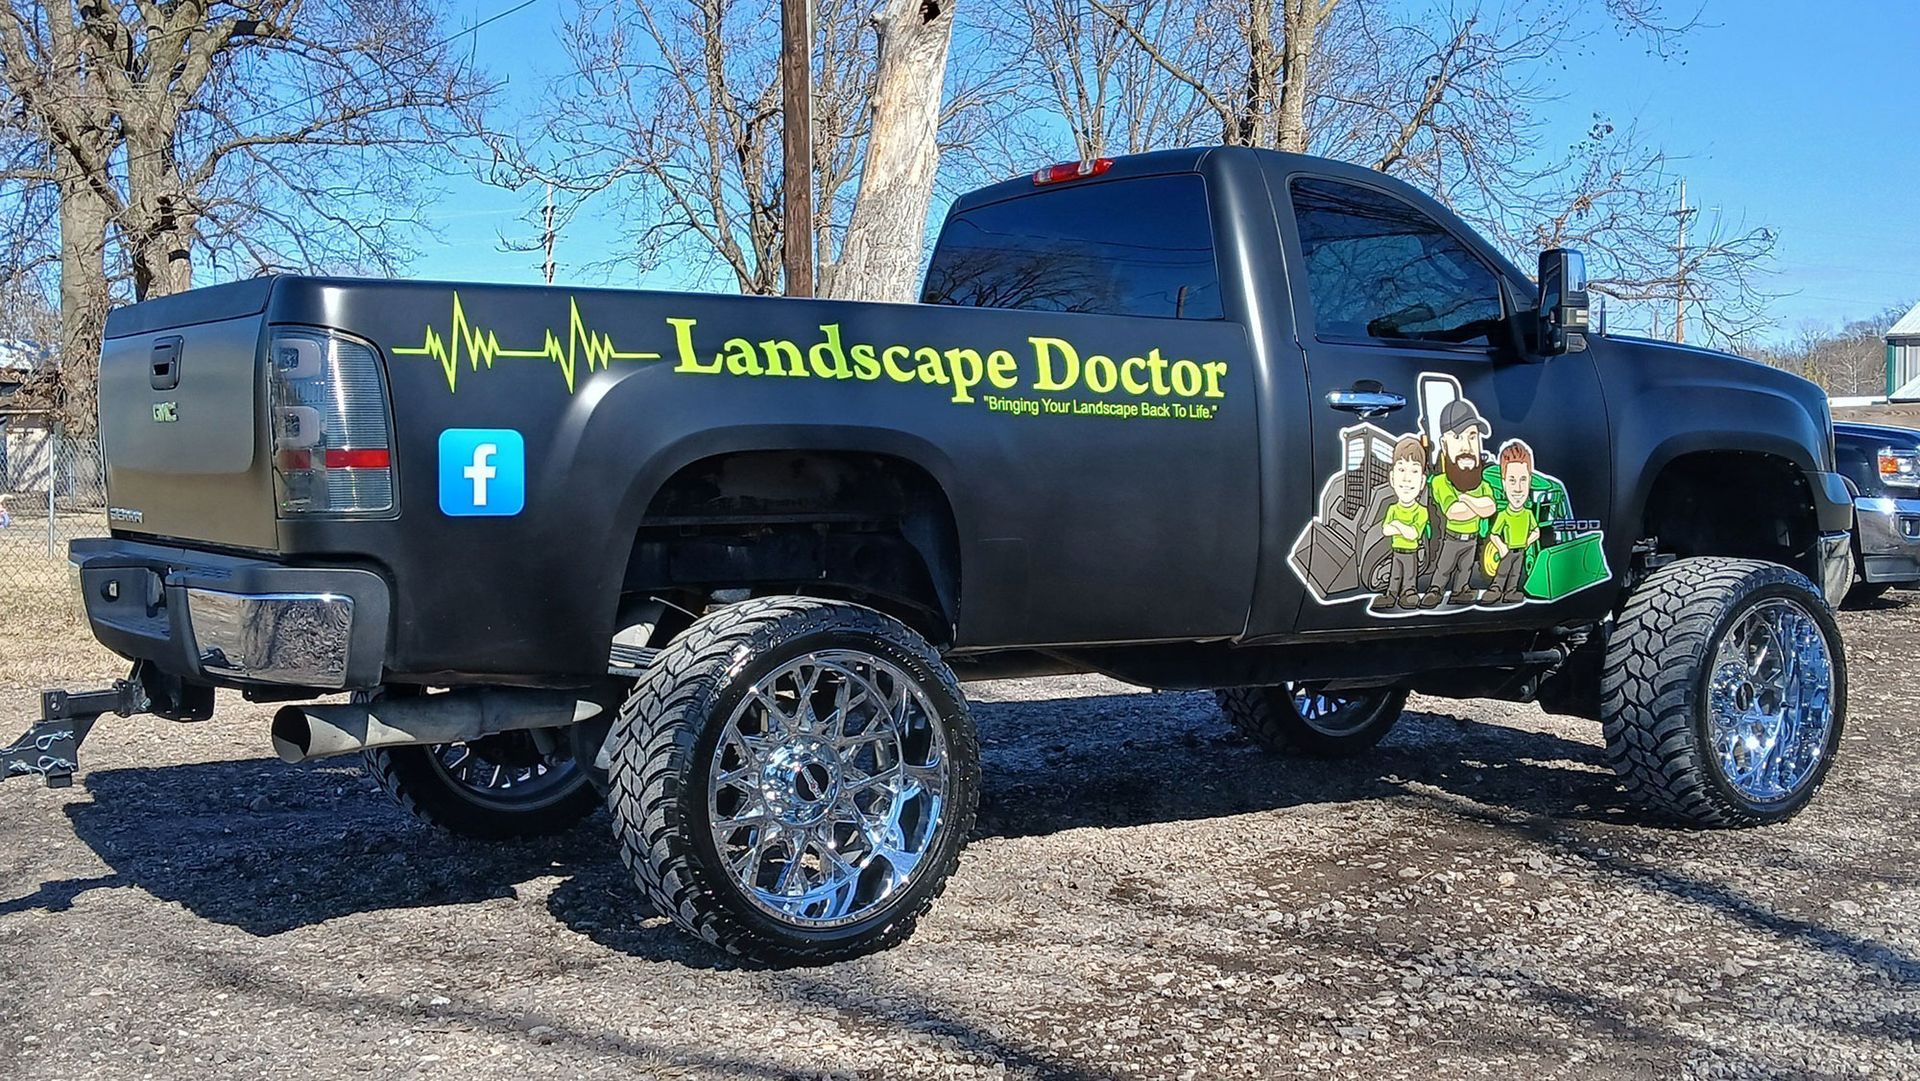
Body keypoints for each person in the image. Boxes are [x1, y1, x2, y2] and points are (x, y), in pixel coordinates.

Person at [1426, 398, 1497, 605]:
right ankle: (1435, 591)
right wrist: (1477, 505)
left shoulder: (1483, 483)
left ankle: (1460, 590)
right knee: (1444, 568)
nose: (1467, 446)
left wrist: (1467, 500)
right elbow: (1454, 511)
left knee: (1466, 569)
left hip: (1472, 539)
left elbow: (1490, 508)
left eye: (1472, 437)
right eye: (1457, 437)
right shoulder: (1441, 481)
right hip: (1452, 539)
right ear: (1444, 444)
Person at [1372, 435, 1429, 612]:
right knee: (1394, 576)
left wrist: (1398, 525)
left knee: (1409, 577)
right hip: (1396, 552)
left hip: (1411, 553)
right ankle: (1390, 594)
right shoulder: (1392, 508)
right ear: (1392, 478)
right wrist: (1400, 527)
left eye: (1414, 471)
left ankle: (1408, 594)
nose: (1406, 479)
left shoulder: (1421, 511)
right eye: (1401, 470)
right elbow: (1386, 530)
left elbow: (1413, 534)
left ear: (1422, 481)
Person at [1482, 439, 1542, 605]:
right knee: (1502, 572)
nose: (1518, 488)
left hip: (1520, 550)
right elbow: (1494, 534)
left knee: (1515, 573)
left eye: (1523, 480)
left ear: (1530, 480)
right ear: (1503, 482)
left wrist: (1527, 541)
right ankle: (1495, 590)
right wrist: (1501, 547)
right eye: (1512, 480)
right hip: (1508, 550)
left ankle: (1511, 592)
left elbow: (1536, 531)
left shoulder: (1528, 514)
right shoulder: (1504, 514)